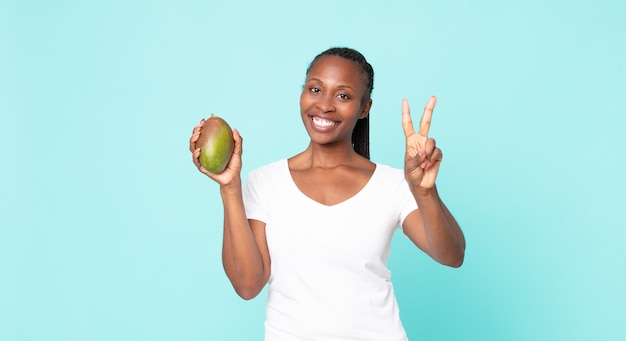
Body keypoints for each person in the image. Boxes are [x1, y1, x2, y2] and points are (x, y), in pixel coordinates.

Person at [189, 47, 466, 340]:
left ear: (364, 108)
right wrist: (229, 186)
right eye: (315, 89)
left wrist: (424, 192)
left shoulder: (392, 184)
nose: (325, 105)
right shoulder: (265, 181)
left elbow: (452, 255)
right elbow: (247, 285)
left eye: (343, 95)